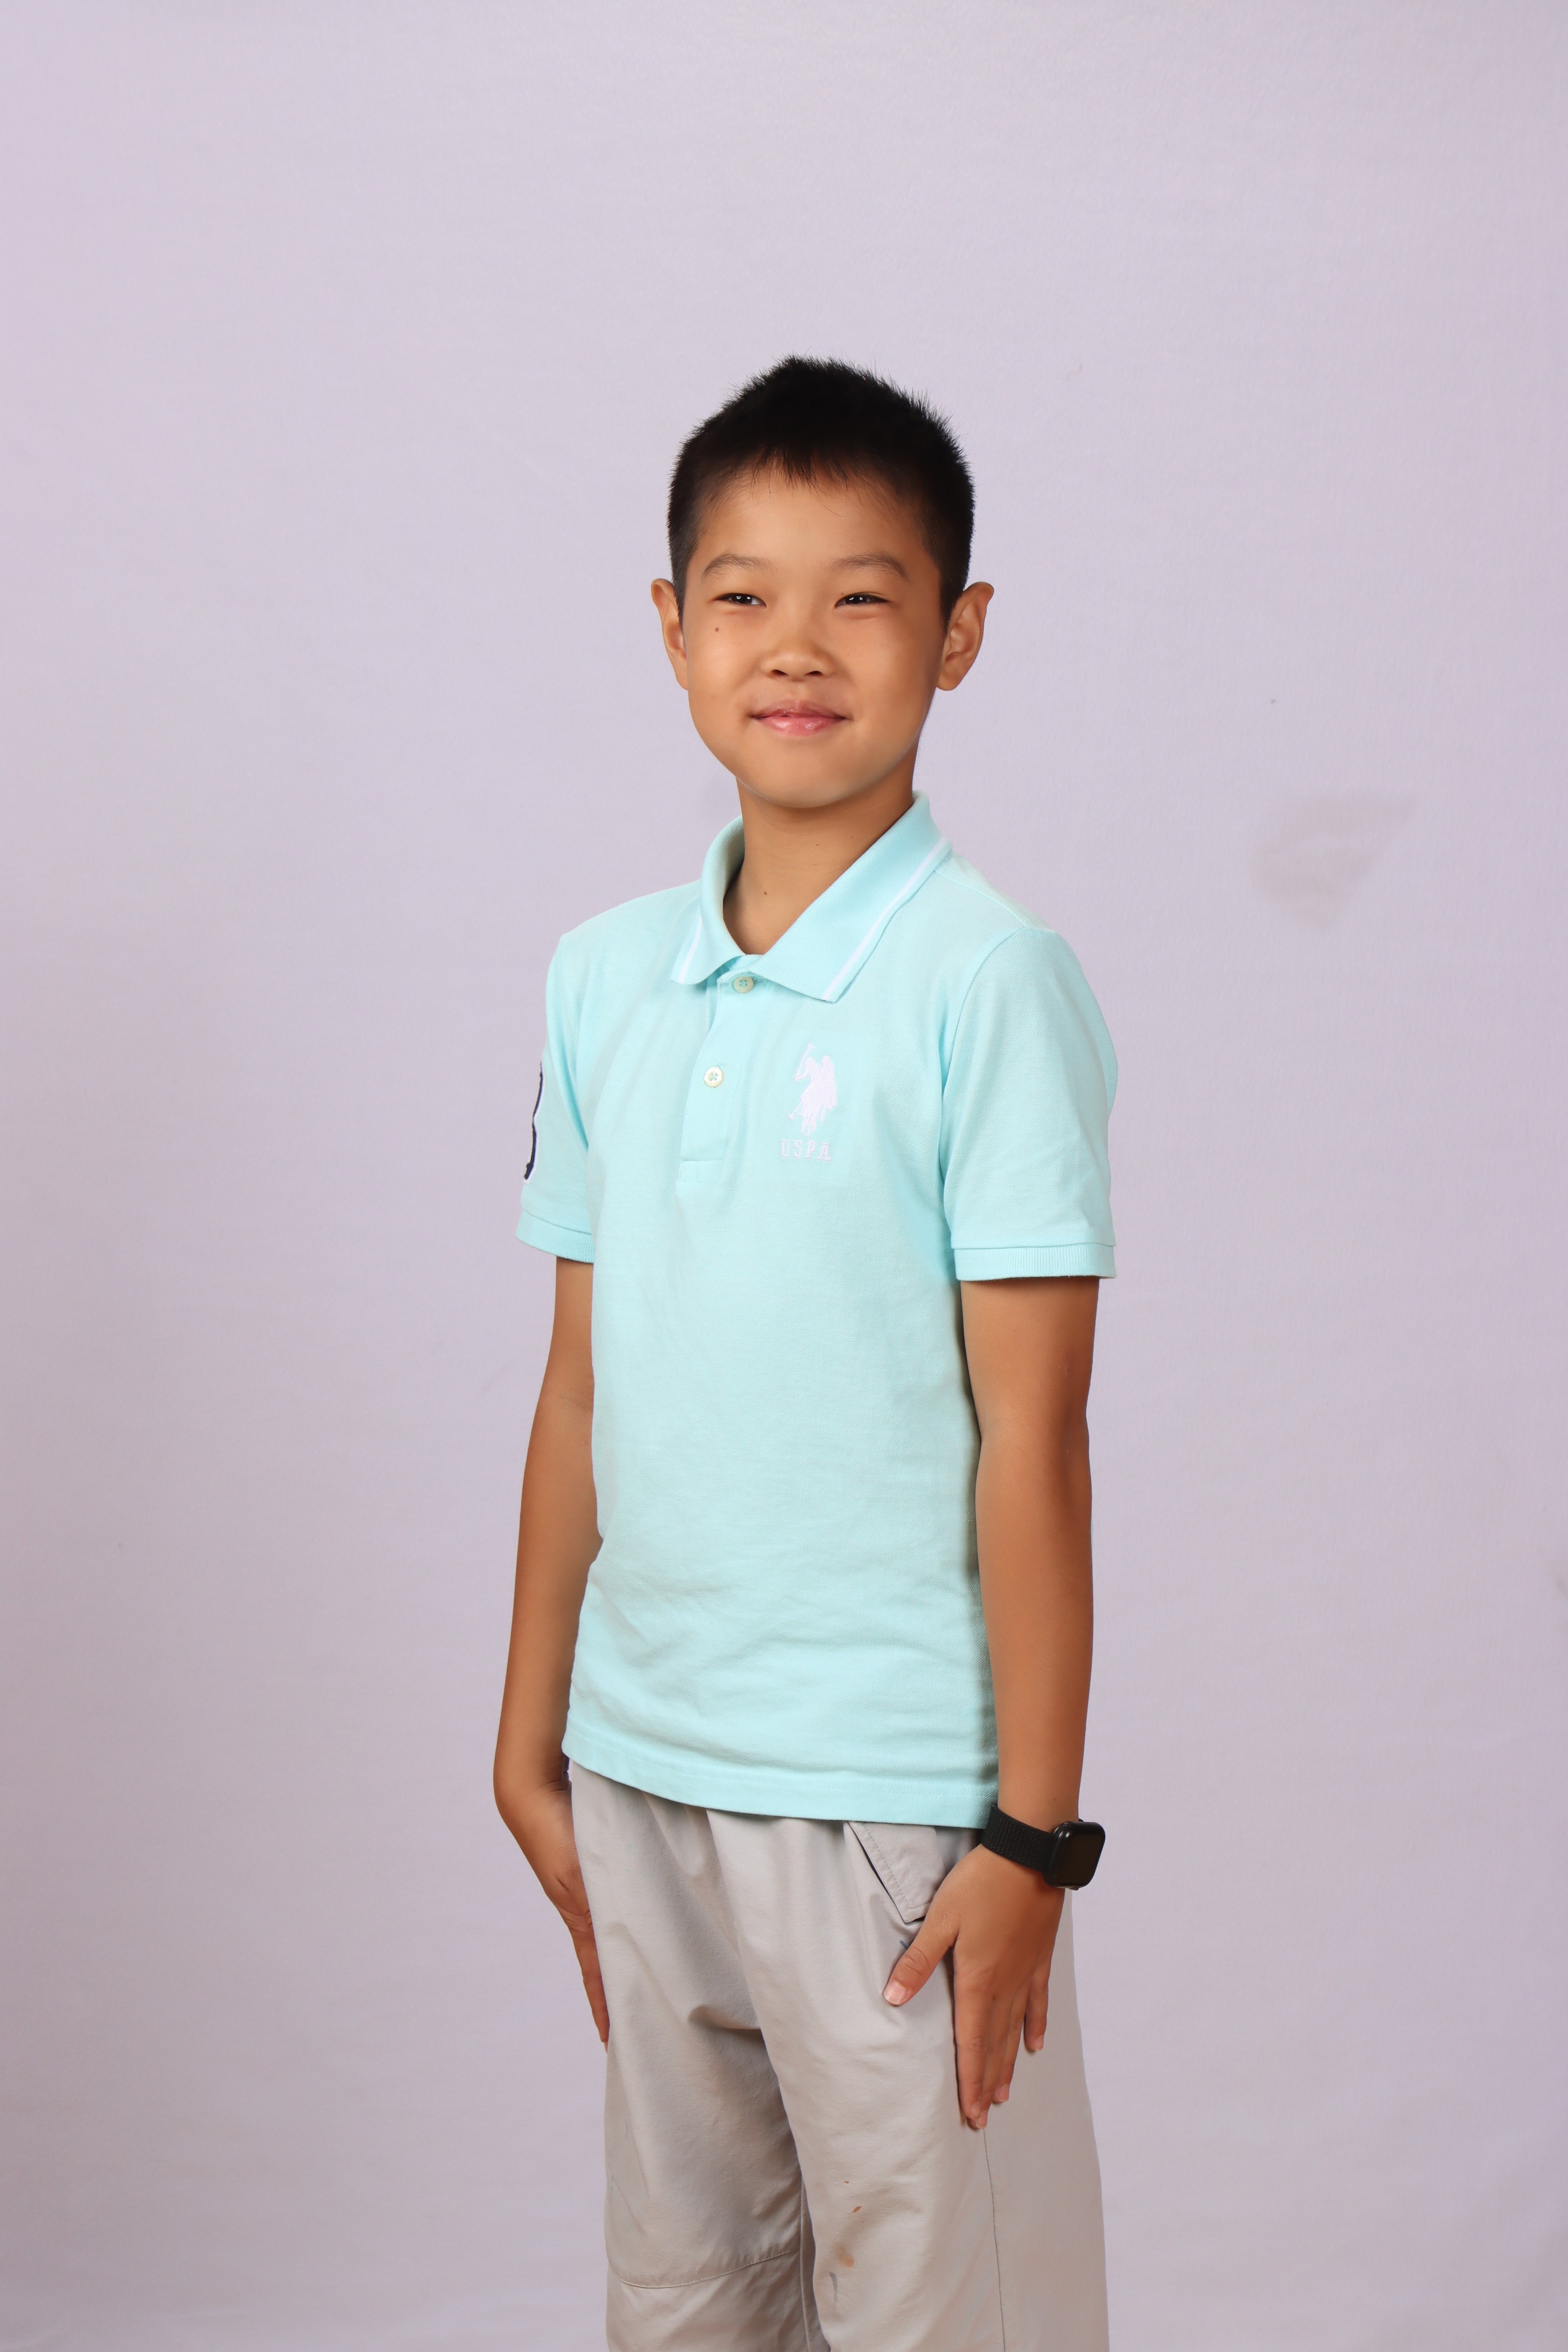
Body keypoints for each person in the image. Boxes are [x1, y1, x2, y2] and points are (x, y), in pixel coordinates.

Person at [494, 356, 1118, 2352]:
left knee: (948, 2316)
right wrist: (529, 1735)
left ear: (959, 631)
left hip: (892, 1811)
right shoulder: (603, 975)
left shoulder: (988, 981)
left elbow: (1034, 1435)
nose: (796, 646)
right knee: (689, 2310)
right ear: (670, 628)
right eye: (742, 595)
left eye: (862, 595)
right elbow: (581, 1383)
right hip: (644, 1767)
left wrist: (1030, 1836)